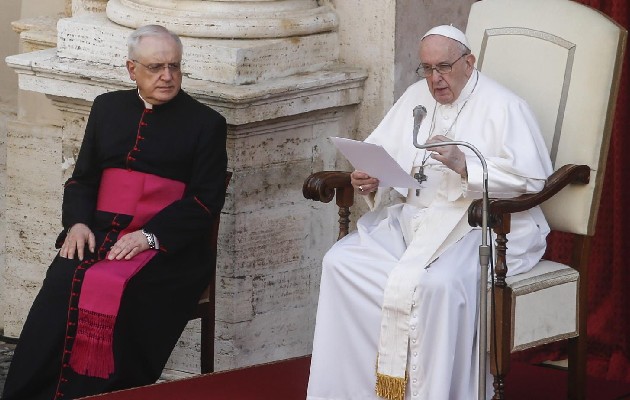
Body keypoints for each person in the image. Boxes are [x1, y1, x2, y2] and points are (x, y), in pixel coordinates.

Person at [306, 25, 552, 400]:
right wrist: (371, 180)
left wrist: (466, 164)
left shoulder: (505, 106)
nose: (435, 79)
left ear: (468, 62)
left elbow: (534, 181)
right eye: (426, 68)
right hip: (415, 219)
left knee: (438, 286)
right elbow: (384, 153)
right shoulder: (416, 97)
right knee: (341, 262)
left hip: (479, 226)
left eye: (444, 67)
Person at [1, 25, 227, 400]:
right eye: (155, 67)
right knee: (63, 277)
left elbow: (205, 200)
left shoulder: (206, 124)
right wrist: (76, 223)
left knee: (126, 288)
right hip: (101, 232)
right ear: (131, 69)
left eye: (174, 66)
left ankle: (109, 394)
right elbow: (83, 178)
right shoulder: (108, 108)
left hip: (166, 248)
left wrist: (149, 236)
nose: (167, 76)